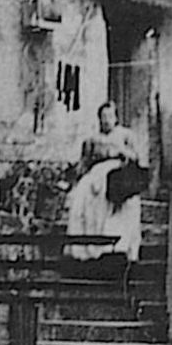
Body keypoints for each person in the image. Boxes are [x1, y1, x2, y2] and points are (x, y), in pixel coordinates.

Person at [64, 101, 143, 266]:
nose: (107, 120)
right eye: (103, 117)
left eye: (110, 116)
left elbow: (136, 158)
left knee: (118, 199)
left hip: (118, 173)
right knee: (83, 193)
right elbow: (85, 162)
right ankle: (88, 247)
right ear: (99, 119)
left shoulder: (126, 135)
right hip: (96, 172)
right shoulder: (93, 139)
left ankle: (118, 246)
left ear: (116, 118)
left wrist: (123, 153)